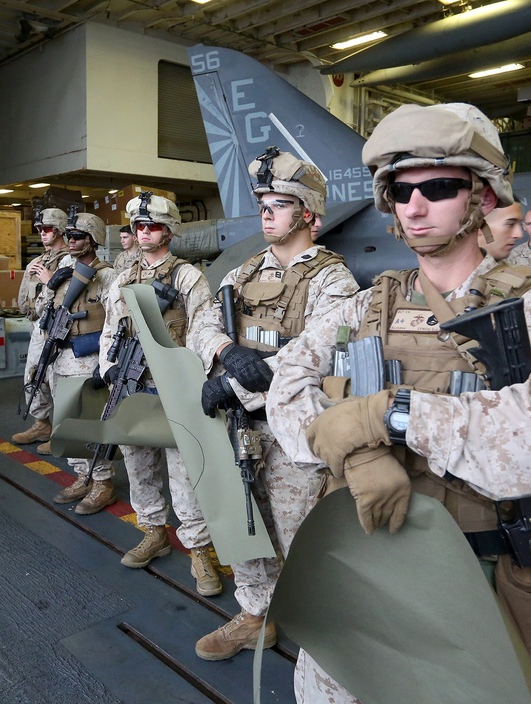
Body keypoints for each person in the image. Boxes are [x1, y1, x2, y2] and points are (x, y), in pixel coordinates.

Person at [266, 103, 531, 703]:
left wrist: (393, 415)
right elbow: (287, 385)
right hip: (364, 558)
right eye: (400, 191)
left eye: (438, 186)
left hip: (477, 572)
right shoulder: (366, 307)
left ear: (482, 197)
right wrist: (358, 454)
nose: (415, 205)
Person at [195, 149, 359, 661]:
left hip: (295, 435)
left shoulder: (335, 280)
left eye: (279, 203)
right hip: (243, 428)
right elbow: (203, 322)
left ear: (308, 213)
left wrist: (235, 385)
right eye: (263, 202)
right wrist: (225, 351)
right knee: (246, 525)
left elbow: (315, 353)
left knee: (300, 537)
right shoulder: (243, 274)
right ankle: (256, 614)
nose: (266, 212)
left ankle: (322, 639)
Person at [100, 193, 256, 596]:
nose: (145, 232)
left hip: (175, 387)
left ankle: (198, 548)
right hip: (134, 384)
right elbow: (110, 331)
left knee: (185, 472)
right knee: (138, 463)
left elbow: (204, 330)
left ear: (168, 231)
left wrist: (204, 380)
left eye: (152, 226)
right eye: (139, 226)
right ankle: (152, 530)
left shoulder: (188, 277)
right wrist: (110, 368)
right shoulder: (123, 278)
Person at [32, 212, 120, 514]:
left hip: (89, 357)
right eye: (68, 236)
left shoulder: (107, 276)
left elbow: (118, 321)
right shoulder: (64, 271)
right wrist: (49, 286)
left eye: (78, 236)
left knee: (92, 422)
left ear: (93, 239)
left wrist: (107, 361)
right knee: (67, 420)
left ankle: (102, 482)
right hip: (62, 357)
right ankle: (83, 475)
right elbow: (44, 312)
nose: (71, 241)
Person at [13, 208, 71, 448]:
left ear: (59, 231)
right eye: (40, 230)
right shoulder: (38, 262)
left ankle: (62, 431)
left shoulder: (70, 261)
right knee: (34, 375)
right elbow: (24, 297)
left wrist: (51, 280)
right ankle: (41, 423)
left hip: (61, 329)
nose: (42, 234)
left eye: (46, 229)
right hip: (39, 327)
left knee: (58, 380)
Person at [479, 195, 524, 260]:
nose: (519, 235)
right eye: (510, 224)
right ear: (479, 226)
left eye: (519, 224)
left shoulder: (516, 270)